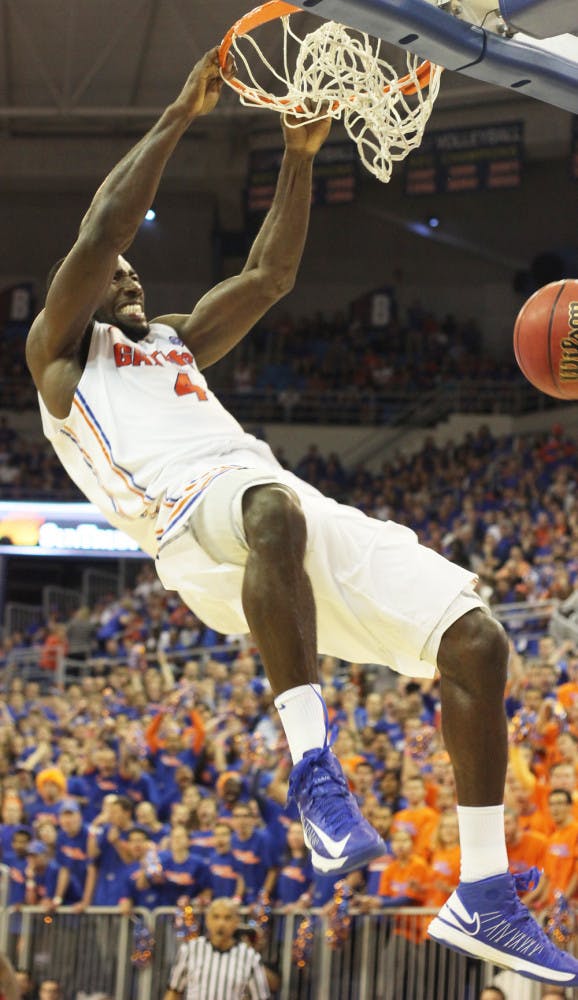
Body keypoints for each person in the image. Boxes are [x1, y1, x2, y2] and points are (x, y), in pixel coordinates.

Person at [25, 43, 578, 988]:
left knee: (477, 640)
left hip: (273, 505)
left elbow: (271, 275)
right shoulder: (61, 362)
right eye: (117, 279)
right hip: (195, 530)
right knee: (268, 503)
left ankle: (484, 892)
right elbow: (103, 230)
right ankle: (315, 773)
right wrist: (182, 111)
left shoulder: (175, 346)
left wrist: (298, 154)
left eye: (133, 279)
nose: (131, 283)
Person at [163, 896, 270, 1000]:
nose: (221, 923)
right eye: (216, 917)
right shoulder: (190, 950)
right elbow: (173, 992)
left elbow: (261, 996)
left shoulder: (249, 956)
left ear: (236, 922)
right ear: (207, 920)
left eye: (227, 918)